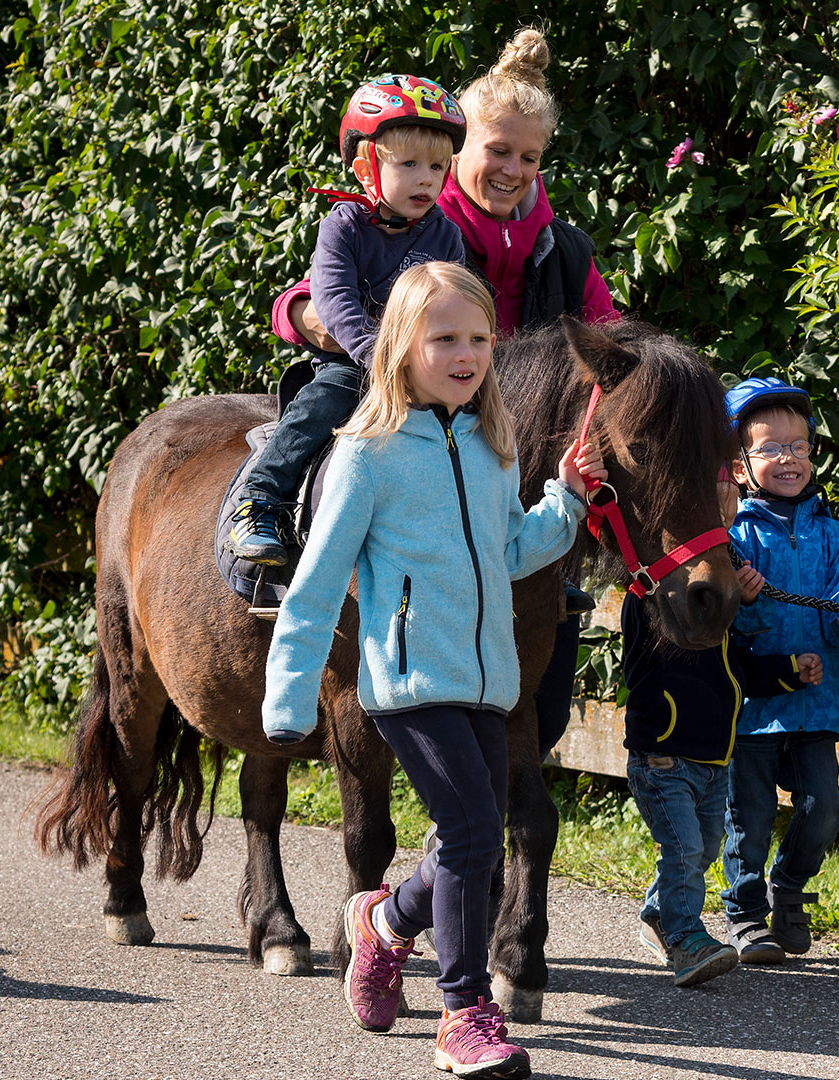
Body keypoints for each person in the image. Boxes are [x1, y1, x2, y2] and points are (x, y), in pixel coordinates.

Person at [260, 261, 606, 1079]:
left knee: (470, 847)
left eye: (479, 337)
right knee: (476, 834)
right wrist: (288, 694)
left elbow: (512, 552)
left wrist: (563, 501)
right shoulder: (367, 455)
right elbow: (314, 583)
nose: (466, 352)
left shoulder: (495, 446)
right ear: (400, 348)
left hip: (487, 681)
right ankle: (462, 1014)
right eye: (444, 336)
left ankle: (382, 926)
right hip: (408, 683)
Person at [272, 28, 618, 757]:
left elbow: (609, 337)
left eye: (529, 157)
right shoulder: (419, 212)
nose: (512, 169)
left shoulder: (565, 247)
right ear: (458, 150)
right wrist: (302, 313)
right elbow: (322, 291)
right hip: (412, 418)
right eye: (498, 151)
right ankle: (276, 536)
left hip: (508, 452)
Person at [225, 73, 469, 567]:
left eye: (438, 166)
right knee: (325, 401)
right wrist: (374, 352)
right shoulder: (344, 226)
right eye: (410, 163)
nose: (427, 177)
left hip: (429, 366)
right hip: (360, 360)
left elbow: (457, 300)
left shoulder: (445, 236)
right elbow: (333, 299)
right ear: (365, 168)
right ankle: (261, 498)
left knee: (502, 417)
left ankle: (513, 531)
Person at [621, 476, 823, 987]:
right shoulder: (652, 595)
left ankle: (656, 912)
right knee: (686, 851)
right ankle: (685, 939)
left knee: (705, 850)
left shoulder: (720, 610)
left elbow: (742, 671)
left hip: (715, 760)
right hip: (664, 756)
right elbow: (644, 639)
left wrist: (785, 671)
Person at [720, 377, 839, 964]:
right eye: (770, 448)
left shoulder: (830, 533)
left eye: (799, 445)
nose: (788, 457)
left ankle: (788, 890)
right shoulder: (732, 539)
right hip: (756, 709)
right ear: (739, 466)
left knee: (823, 809)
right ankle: (744, 912)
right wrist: (744, 600)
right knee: (752, 816)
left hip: (815, 705)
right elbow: (720, 625)